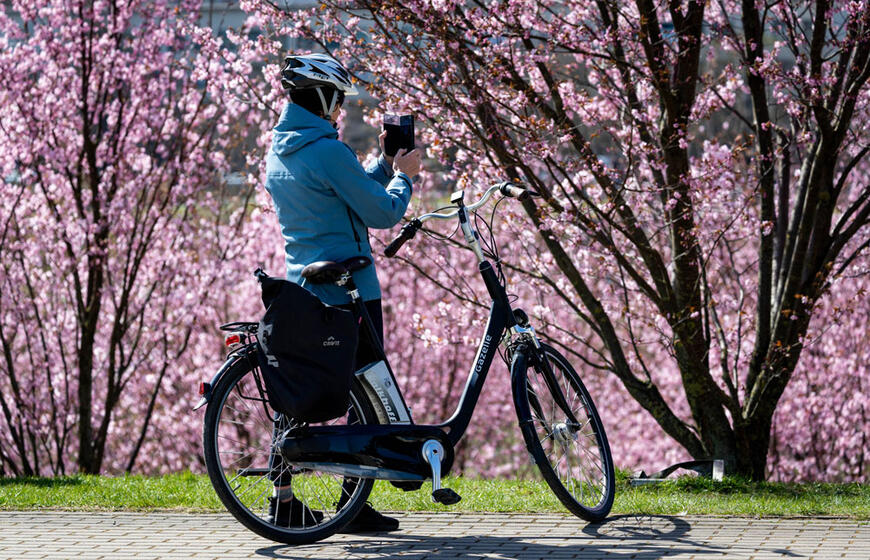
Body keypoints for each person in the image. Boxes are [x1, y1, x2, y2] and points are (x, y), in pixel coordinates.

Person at [262, 53, 422, 533]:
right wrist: (405, 174)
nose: (342, 109)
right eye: (338, 99)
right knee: (364, 394)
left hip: (303, 287)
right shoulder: (329, 150)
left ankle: (283, 498)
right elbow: (381, 213)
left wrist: (380, 165)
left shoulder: (282, 149)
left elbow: (342, 193)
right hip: (351, 289)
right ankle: (354, 503)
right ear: (322, 97)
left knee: (299, 389)